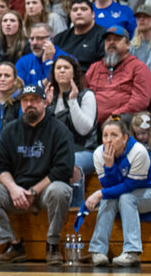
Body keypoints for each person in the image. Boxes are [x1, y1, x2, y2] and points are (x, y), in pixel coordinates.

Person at [0, 84, 73, 265]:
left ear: (44, 103)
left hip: (45, 192)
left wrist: (34, 191)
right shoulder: (10, 130)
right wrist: (13, 189)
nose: (29, 104)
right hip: (17, 193)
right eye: (25, 101)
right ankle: (13, 245)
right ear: (20, 105)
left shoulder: (59, 130)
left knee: (61, 190)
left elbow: (63, 169)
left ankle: (52, 245)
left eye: (34, 100)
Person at [84, 117, 151, 267]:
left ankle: (132, 251)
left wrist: (99, 193)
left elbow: (128, 186)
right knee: (110, 198)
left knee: (125, 197)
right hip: (127, 193)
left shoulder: (138, 152)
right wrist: (109, 167)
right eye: (105, 135)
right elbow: (110, 187)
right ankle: (98, 251)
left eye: (114, 135)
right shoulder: (98, 154)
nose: (108, 140)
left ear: (125, 138)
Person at [46, 55, 97, 207]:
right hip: (57, 152)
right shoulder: (51, 97)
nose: (62, 71)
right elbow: (45, 133)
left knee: (72, 164)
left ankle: (76, 211)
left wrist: (73, 101)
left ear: (74, 73)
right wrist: (46, 108)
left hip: (84, 149)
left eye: (66, 68)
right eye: (58, 68)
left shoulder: (86, 95)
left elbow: (84, 129)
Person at [86, 26, 151, 125]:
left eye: (117, 39)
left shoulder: (139, 68)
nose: (111, 43)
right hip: (92, 120)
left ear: (128, 45)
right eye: (108, 40)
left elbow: (140, 101)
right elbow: (83, 94)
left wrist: (114, 116)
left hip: (122, 119)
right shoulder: (95, 68)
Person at [53, 0, 107, 72]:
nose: (79, 13)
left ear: (93, 14)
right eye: (75, 10)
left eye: (84, 9)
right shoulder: (60, 38)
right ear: (70, 16)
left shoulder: (104, 35)